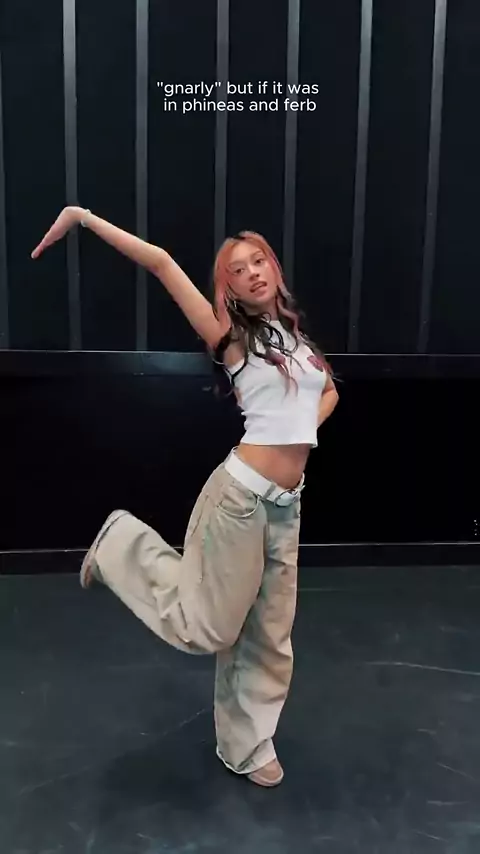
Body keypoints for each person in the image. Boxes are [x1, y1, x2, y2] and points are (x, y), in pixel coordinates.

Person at [31, 207, 339, 788]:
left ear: (274, 267)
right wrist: (83, 218)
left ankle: (246, 745)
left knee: (269, 635)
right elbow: (161, 263)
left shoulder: (295, 340)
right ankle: (121, 545)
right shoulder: (232, 340)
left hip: (286, 506)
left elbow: (328, 392)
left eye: (258, 261)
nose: (252, 273)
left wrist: (304, 433)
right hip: (240, 501)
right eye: (237, 270)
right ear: (229, 288)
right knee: (211, 629)